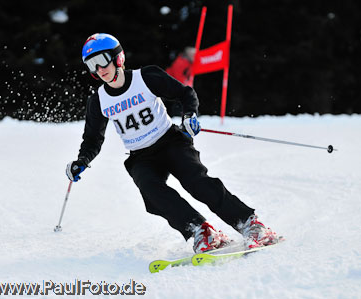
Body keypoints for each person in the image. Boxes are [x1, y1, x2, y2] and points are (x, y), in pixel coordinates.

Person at [66, 33, 279, 253]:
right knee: (151, 192)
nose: (99, 69)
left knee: (196, 182)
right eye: (92, 64)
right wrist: (82, 160)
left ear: (118, 58)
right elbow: (93, 139)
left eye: (102, 60)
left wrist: (189, 116)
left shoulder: (146, 77)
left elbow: (185, 94)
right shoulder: (99, 100)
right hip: (141, 156)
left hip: (170, 142)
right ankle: (200, 230)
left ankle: (250, 224)